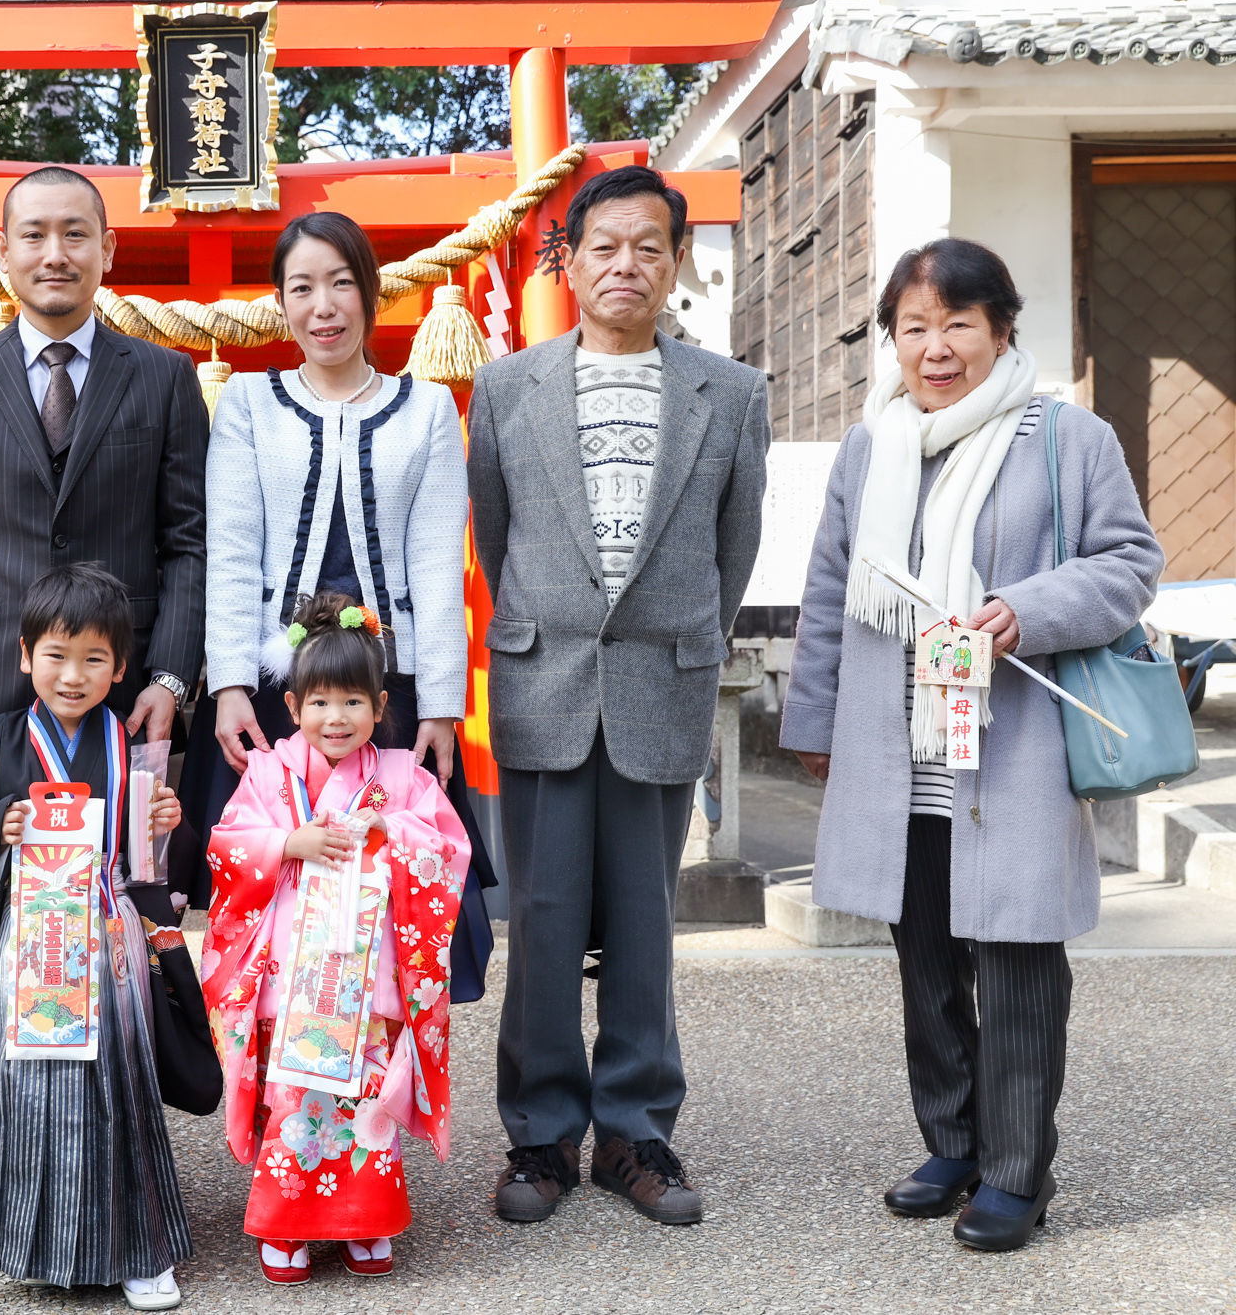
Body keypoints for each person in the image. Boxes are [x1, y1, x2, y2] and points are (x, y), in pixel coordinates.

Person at [780, 240, 1160, 1252]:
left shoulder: (1064, 438)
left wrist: (1018, 609)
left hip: (1010, 749)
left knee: (1019, 967)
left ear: (1000, 329)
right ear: (891, 340)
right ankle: (950, 1144)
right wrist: (813, 726)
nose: (934, 346)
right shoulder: (871, 448)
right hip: (896, 752)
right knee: (925, 967)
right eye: (913, 326)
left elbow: (1127, 565)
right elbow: (829, 592)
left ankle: (1013, 1173)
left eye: (956, 323)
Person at [0, 165, 209, 1251]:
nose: (54, 253)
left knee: (112, 927)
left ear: (107, 248)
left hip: (118, 707)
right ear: (3, 247)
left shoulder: (161, 381)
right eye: (33, 234)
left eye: (75, 232)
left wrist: (167, 677)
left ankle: (112, 1150)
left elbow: (184, 540)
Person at [465, 163, 768, 1227]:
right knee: (541, 920)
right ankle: (541, 1137)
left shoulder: (728, 393)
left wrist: (670, 634)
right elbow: (495, 539)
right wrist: (553, 626)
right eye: (602, 245)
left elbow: (734, 552)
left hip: (660, 680)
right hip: (545, 676)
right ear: (570, 259)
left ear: (674, 260)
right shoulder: (507, 387)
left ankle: (635, 1134)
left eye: (647, 246)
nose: (624, 265)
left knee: (644, 920)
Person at [179, 210, 496, 999]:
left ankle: (371, 1091)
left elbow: (434, 562)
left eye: (341, 284)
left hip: (391, 695)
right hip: (272, 690)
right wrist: (225, 685)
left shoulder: (423, 410)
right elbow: (231, 547)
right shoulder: (249, 403)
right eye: (302, 288)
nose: (323, 306)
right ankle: (286, 1099)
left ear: (371, 294)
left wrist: (443, 707)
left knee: (390, 898)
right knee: (278, 905)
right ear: (281, 304)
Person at [0, 563, 191, 1310]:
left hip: (109, 942)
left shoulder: (132, 748)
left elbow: (149, 867)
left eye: (93, 659)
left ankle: (140, 1247)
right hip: (33, 943)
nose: (72, 675)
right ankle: (40, 1241)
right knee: (34, 1094)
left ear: (120, 666)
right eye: (55, 655)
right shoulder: (2, 740)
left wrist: (163, 825)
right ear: (23, 656)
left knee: (121, 1092)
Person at [202, 592, 471, 1285]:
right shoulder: (269, 773)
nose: (336, 717)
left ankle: (364, 1222)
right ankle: (285, 1225)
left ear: (380, 707)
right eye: (320, 702)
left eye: (354, 702)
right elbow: (228, 847)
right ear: (291, 707)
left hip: (365, 971)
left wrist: (391, 836)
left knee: (364, 1099)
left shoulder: (400, 777)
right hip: (292, 975)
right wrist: (288, 841)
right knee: (291, 1100)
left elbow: (445, 846)